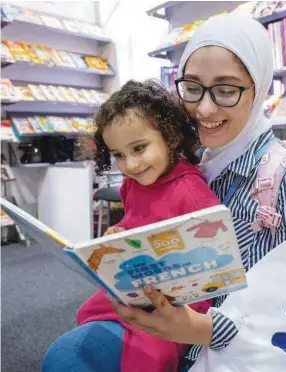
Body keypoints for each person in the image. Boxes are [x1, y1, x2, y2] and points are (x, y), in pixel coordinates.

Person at [43, 13, 286, 372]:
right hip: (172, 336)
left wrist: (203, 329)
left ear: (258, 87)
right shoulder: (183, 162)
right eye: (193, 87)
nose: (205, 108)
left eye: (227, 90)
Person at [42, 80, 220, 372]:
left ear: (170, 137)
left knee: (140, 354)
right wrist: (119, 233)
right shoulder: (133, 184)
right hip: (135, 288)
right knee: (91, 320)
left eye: (139, 148)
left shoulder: (191, 191)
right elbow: (135, 220)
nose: (131, 165)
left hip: (175, 307)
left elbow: (211, 260)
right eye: (119, 155)